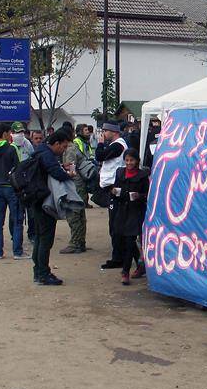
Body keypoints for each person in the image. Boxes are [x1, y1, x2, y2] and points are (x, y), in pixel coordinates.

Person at [29, 129, 75, 285]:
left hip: (36, 200)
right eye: (63, 147)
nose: (63, 150)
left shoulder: (40, 151)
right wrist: (68, 174)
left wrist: (61, 165)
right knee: (46, 239)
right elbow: (56, 173)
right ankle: (43, 273)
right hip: (45, 202)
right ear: (56, 144)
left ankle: (38, 271)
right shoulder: (47, 155)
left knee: (40, 237)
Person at [0, 124, 27, 260]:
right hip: (11, 187)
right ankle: (17, 252)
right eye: (10, 133)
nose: (11, 135)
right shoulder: (11, 148)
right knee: (17, 220)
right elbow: (18, 169)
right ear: (4, 134)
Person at [111, 149, 149, 284]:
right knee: (124, 239)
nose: (129, 163)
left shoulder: (143, 175)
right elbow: (114, 189)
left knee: (129, 241)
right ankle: (140, 265)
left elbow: (148, 194)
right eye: (127, 160)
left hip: (136, 212)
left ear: (137, 161)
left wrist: (139, 196)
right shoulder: (120, 172)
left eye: (131, 160)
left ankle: (125, 272)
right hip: (121, 211)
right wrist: (114, 192)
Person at [96, 122, 128, 269]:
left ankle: (119, 257)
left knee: (116, 225)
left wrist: (100, 144)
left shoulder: (118, 145)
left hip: (114, 187)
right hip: (111, 186)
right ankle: (119, 256)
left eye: (105, 131)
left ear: (113, 132)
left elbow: (100, 156)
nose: (103, 134)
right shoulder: (116, 145)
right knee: (114, 224)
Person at [60, 125, 90, 254]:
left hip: (75, 186)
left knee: (74, 215)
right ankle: (80, 242)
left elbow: (71, 168)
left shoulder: (70, 150)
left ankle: (75, 243)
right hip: (80, 185)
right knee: (80, 215)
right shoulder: (75, 147)